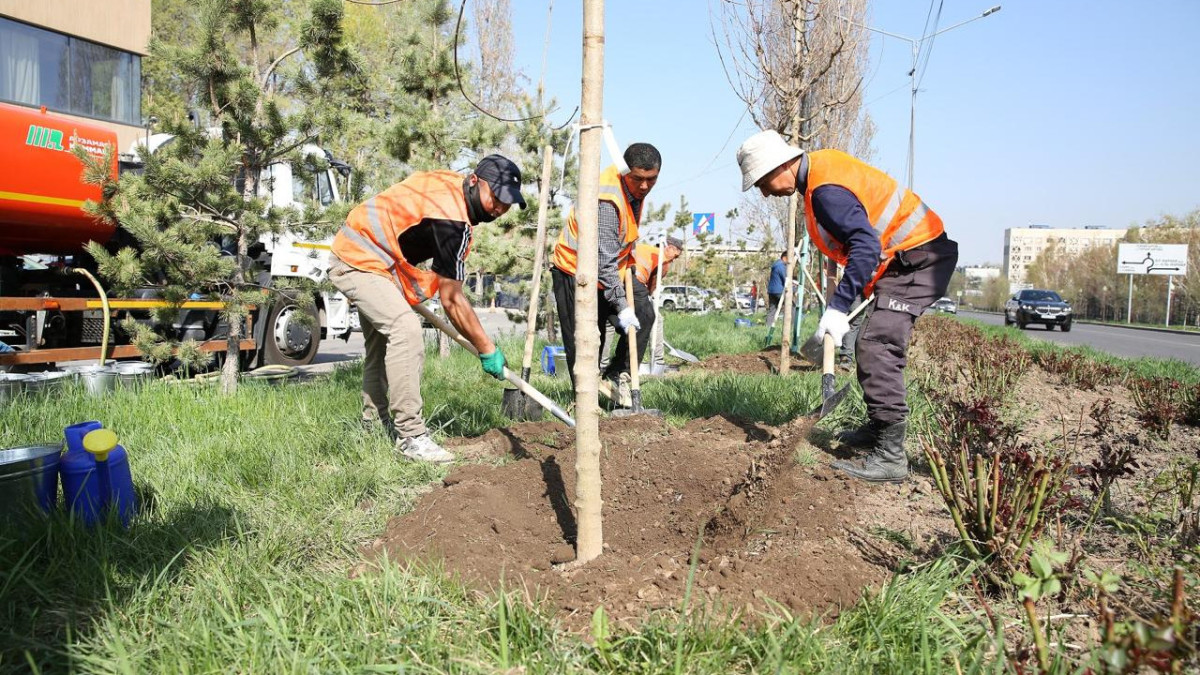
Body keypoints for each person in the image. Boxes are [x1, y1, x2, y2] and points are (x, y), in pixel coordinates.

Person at [736, 129, 958, 483]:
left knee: (876, 344)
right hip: (908, 258)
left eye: (762, 182)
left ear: (780, 166)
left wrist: (839, 307)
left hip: (919, 259)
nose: (764, 192)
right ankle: (877, 431)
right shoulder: (821, 172)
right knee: (870, 341)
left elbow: (866, 245)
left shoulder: (825, 192)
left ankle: (891, 456)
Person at [329, 154, 526, 463]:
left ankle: (372, 427)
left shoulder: (450, 187)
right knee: (405, 331)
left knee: (381, 348)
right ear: (474, 182)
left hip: (367, 256)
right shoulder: (452, 220)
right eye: (497, 197)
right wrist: (487, 348)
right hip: (360, 260)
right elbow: (452, 300)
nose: (501, 208)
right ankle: (411, 437)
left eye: (508, 202)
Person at [551, 143, 661, 406]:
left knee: (644, 313)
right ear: (625, 172)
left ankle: (614, 376)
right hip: (574, 270)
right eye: (638, 179)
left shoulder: (634, 191)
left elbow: (616, 250)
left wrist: (627, 300)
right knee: (587, 337)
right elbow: (604, 263)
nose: (644, 186)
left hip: (613, 267)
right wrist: (621, 306)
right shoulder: (606, 201)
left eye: (651, 180)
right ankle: (584, 402)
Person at [628, 237, 683, 369]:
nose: (673, 260)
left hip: (618, 279)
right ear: (669, 248)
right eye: (675, 256)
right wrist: (648, 296)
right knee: (655, 319)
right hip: (634, 284)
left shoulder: (646, 249)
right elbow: (652, 284)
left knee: (610, 324)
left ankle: (603, 363)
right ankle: (657, 361)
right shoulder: (662, 259)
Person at [766, 250, 788, 326]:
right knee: (791, 306)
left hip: (771, 291)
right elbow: (786, 279)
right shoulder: (781, 266)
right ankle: (790, 326)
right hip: (779, 291)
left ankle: (767, 327)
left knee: (772, 310)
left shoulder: (775, 265)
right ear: (784, 258)